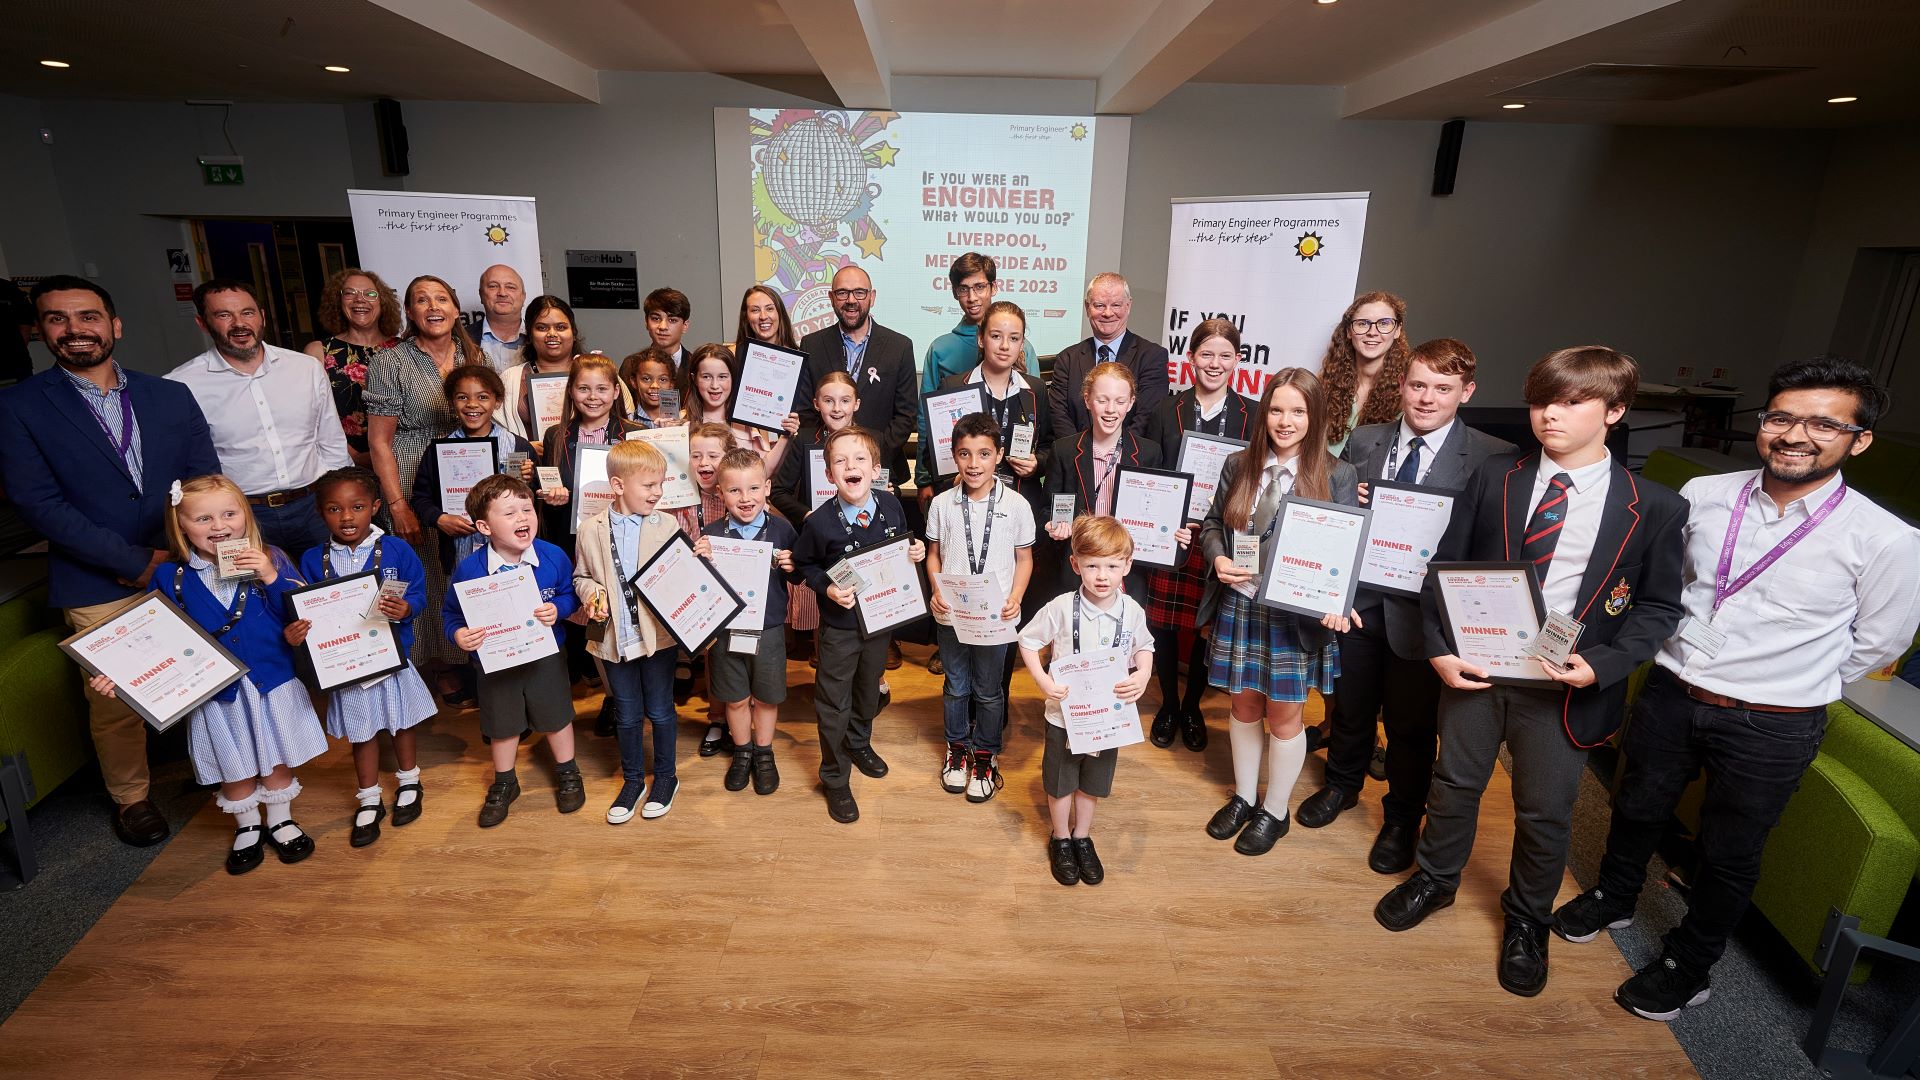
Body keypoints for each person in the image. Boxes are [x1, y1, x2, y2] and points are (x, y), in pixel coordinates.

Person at [1553, 358, 1920, 1022]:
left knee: (1729, 852)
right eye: (1781, 417)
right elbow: (1666, 587)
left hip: (1775, 721)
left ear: (1859, 439)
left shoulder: (1888, 540)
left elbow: (1881, 644)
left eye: (1822, 423)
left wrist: (1790, 678)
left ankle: (1688, 966)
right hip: (1673, 689)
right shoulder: (1705, 492)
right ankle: (1613, 896)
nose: (1794, 434)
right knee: (1637, 806)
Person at [1374, 345, 1688, 1000]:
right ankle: (1436, 880)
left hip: (1563, 681)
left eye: (1573, 402)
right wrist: (1436, 644)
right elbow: (1445, 566)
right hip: (1478, 666)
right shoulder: (1498, 477)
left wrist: (1599, 665)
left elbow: (1659, 607)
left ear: (1616, 411)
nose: (1551, 414)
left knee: (1544, 812)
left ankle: (1526, 920)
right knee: (1453, 784)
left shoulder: (1651, 506)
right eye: (1543, 400)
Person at [0, 275, 219, 847]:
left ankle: (216, 767)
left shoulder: (167, 395)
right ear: (40, 330)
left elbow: (203, 479)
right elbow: (37, 504)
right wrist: (131, 560)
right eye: (57, 319)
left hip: (182, 561)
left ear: (114, 326)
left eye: (88, 317)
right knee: (118, 696)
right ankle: (133, 799)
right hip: (94, 578)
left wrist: (181, 553)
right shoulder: (19, 406)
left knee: (203, 670)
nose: (75, 330)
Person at [1297, 339, 1514, 875]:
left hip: (1426, 619)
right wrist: (1351, 497)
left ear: (1467, 392)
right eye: (1417, 385)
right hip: (1360, 604)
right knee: (1348, 708)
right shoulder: (1367, 441)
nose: (1426, 398)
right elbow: (1332, 509)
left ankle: (1399, 820)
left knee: (1411, 728)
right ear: (1402, 386)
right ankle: (1343, 786)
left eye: (1443, 389)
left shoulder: (1490, 457)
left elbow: (1490, 543)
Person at [89, 474, 326, 875]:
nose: (219, 527)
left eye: (229, 514)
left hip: (270, 681)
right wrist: (121, 674)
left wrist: (269, 575)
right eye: (203, 519)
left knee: (276, 756)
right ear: (181, 525)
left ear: (245, 516)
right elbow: (154, 636)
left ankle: (282, 819)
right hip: (218, 693)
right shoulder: (171, 577)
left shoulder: (271, 557)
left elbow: (306, 611)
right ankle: (248, 827)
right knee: (232, 760)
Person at [1198, 369, 1360, 857]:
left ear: (1315, 418)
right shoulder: (1238, 465)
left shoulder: (1337, 474)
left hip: (1294, 617)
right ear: (1263, 413)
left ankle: (1275, 810)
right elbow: (1210, 523)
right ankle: (1246, 798)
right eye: (1276, 410)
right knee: (1243, 707)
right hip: (1242, 605)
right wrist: (1218, 557)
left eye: (1297, 411)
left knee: (1285, 718)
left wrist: (1339, 603)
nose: (1285, 421)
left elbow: (1347, 548)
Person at [289, 467, 437, 848]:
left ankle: (409, 781)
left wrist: (407, 608)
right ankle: (368, 797)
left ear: (374, 506)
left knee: (401, 721)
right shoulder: (311, 559)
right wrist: (300, 629)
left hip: (391, 658)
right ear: (321, 514)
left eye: (356, 507)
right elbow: (306, 608)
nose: (347, 517)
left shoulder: (396, 550)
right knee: (362, 731)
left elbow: (417, 592)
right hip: (347, 665)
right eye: (335, 509)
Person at [791, 426, 926, 823]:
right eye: (840, 461)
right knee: (834, 701)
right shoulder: (819, 523)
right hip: (841, 627)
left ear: (876, 468)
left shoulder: (891, 504)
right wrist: (827, 589)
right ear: (830, 474)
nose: (851, 466)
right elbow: (804, 565)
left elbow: (901, 543)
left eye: (860, 459)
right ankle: (834, 776)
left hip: (881, 623)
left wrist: (913, 549)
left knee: (869, 692)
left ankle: (858, 742)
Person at [1138, 318, 1255, 754]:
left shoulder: (1253, 414)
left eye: (1225, 355)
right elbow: (1150, 468)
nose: (1215, 363)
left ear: (1238, 361)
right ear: (1190, 358)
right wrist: (1168, 518)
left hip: (1222, 538)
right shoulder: (1166, 410)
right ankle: (1168, 703)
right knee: (1164, 625)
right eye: (1206, 354)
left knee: (1207, 626)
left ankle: (1192, 707)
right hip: (1173, 533)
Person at [168, 279, 352, 555]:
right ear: (202, 323)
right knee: (254, 594)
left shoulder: (305, 368)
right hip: (240, 516)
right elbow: (184, 465)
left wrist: (339, 502)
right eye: (223, 315)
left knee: (331, 589)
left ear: (262, 316)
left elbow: (331, 441)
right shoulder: (181, 385)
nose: (239, 324)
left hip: (313, 507)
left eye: (247, 312)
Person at [1018, 515, 1154, 887]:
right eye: (1092, 565)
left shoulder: (1132, 611)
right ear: (1075, 563)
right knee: (1061, 781)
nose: (1101, 575)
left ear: (1128, 564)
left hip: (1108, 718)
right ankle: (1061, 838)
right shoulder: (1060, 607)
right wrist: (1044, 680)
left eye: (1112, 565)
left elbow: (1145, 648)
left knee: (1093, 782)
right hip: (1065, 715)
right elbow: (1027, 642)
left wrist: (1142, 674)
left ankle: (1082, 836)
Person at [365, 274, 488, 685]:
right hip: (410, 470)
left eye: (441, 299)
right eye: (421, 300)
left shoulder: (476, 357)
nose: (433, 307)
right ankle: (415, 669)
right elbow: (379, 441)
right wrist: (398, 503)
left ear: (456, 309)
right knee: (416, 568)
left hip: (467, 470)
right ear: (410, 312)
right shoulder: (390, 361)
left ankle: (461, 661)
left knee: (461, 562)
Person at [443, 474, 583, 828]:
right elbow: (451, 614)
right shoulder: (470, 570)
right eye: (509, 513)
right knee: (501, 723)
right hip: (495, 661)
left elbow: (569, 593)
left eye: (526, 509)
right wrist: (459, 634)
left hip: (546, 655)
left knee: (556, 716)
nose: (523, 518)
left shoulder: (552, 556)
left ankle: (568, 772)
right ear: (483, 527)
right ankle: (505, 781)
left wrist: (560, 609)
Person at [571, 439, 682, 824]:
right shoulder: (589, 529)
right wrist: (591, 593)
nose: (658, 492)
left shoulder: (667, 524)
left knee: (661, 711)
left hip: (658, 638)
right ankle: (633, 779)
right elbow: (581, 576)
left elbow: (679, 577)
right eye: (649, 485)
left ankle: (666, 777)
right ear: (618, 486)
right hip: (614, 639)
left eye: (661, 484)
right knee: (628, 714)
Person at [926, 413, 1035, 802]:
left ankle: (986, 755)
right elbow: (933, 555)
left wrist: (1016, 598)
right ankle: (957, 750)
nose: (974, 464)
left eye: (984, 454)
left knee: (989, 692)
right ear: (954, 457)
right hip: (952, 613)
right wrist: (936, 589)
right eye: (965, 454)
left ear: (1000, 455)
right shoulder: (941, 504)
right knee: (956, 686)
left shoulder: (1018, 505)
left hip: (996, 616)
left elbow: (1025, 559)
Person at [695, 448, 800, 796]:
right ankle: (742, 752)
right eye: (735, 490)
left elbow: (799, 576)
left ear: (767, 488)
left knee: (767, 697)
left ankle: (764, 752)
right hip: (726, 632)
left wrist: (791, 566)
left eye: (753, 489)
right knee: (736, 699)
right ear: (720, 493)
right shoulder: (711, 534)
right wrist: (701, 561)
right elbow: (699, 589)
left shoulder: (783, 531)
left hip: (768, 629)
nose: (745, 498)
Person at [1041, 361, 1170, 603]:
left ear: (1131, 403)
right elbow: (1048, 508)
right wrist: (1053, 525)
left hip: (1127, 571)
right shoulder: (1065, 450)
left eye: (1120, 402)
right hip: (1078, 567)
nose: (1111, 410)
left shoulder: (1148, 453)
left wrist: (1170, 531)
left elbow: (1156, 513)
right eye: (1102, 400)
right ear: (1087, 399)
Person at [795, 266, 919, 488]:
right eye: (842, 293)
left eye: (859, 292)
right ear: (832, 298)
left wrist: (869, 458)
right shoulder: (812, 344)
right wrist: (833, 456)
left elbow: (906, 415)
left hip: (879, 465)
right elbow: (806, 410)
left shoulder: (899, 346)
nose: (851, 300)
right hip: (825, 468)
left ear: (872, 297)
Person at [408, 364, 537, 574]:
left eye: (483, 397)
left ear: (498, 401)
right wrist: (439, 518)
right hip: (460, 551)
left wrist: (529, 480)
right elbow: (421, 498)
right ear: (452, 402)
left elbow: (536, 501)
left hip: (514, 555)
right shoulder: (438, 451)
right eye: (462, 397)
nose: (472, 404)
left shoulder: (518, 446)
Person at [1046, 272, 1170, 437]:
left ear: (1128, 306)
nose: (1108, 313)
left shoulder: (1152, 357)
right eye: (1099, 305)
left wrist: (1113, 454)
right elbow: (1058, 416)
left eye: (1116, 305)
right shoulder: (1067, 359)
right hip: (1074, 458)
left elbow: (1147, 417)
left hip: (1128, 458)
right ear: (1087, 307)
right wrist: (1079, 453)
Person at [304, 268, 402, 467]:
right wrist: (352, 457)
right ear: (337, 302)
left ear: (382, 302)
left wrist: (386, 455)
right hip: (342, 461)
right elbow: (311, 417)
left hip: (399, 459)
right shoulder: (318, 352)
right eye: (350, 293)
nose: (360, 299)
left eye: (370, 294)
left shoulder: (404, 349)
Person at [920, 252, 1040, 408]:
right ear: (955, 293)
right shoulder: (939, 349)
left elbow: (1034, 401)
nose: (972, 297)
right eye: (963, 289)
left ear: (993, 287)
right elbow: (926, 412)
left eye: (980, 287)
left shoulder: (1022, 348)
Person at [684, 342, 798, 476]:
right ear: (694, 379)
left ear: (733, 378)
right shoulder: (683, 422)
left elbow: (763, 471)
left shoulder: (747, 421)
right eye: (706, 377)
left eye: (722, 377)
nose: (714, 385)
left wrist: (786, 436)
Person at [1319, 291, 1411, 457]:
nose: (1372, 332)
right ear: (1349, 331)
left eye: (1384, 323)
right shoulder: (1322, 387)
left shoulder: (1408, 393)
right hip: (1323, 480)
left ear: (1397, 330)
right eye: (1362, 323)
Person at [497, 294, 591, 446]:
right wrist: (524, 448)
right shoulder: (511, 378)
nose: (552, 334)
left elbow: (623, 421)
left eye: (561, 327)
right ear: (529, 335)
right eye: (542, 328)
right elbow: (494, 432)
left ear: (573, 333)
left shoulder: (600, 372)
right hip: (530, 466)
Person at [473, 265, 526, 373]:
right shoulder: (461, 339)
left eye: (510, 287)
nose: (502, 293)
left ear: (523, 296)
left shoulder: (539, 339)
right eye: (493, 286)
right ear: (481, 295)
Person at [731, 284, 798, 354]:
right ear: (746, 317)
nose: (763, 317)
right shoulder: (732, 355)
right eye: (755, 310)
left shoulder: (798, 359)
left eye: (769, 309)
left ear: (780, 314)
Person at [645, 288, 693, 374]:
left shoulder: (696, 366)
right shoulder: (631, 365)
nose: (663, 327)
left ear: (685, 326)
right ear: (646, 323)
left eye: (672, 320)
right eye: (656, 319)